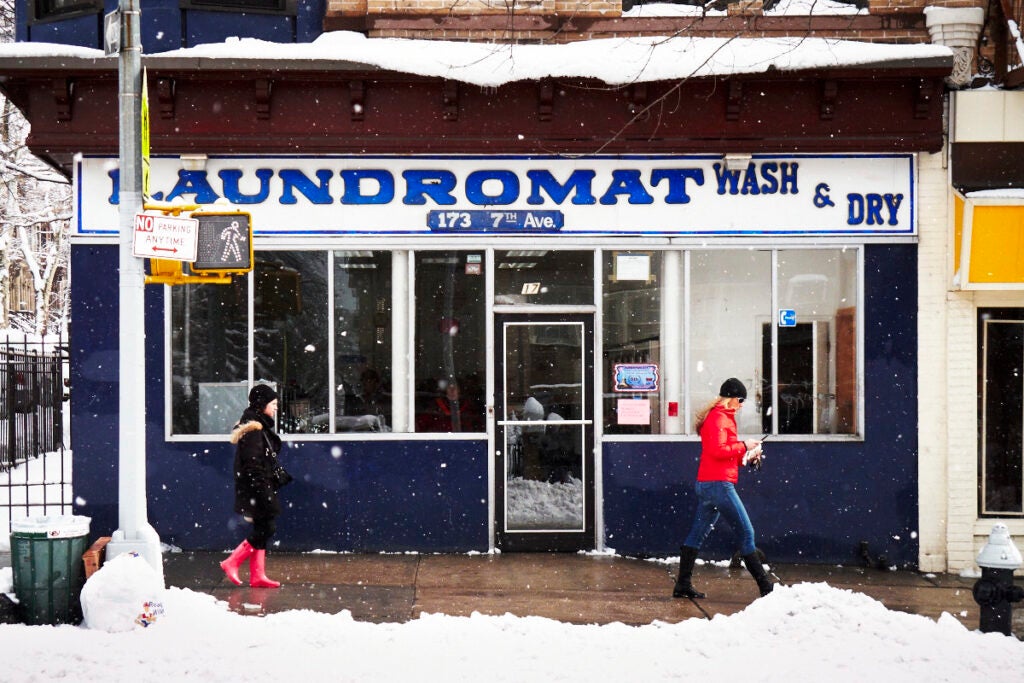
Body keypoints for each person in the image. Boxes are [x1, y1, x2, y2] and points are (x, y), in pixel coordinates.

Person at [673, 377, 773, 599]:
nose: (742, 405)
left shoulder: (721, 417)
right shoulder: (719, 418)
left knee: (697, 535)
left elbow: (723, 454)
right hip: (718, 485)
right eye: (740, 400)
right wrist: (744, 445)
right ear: (731, 398)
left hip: (709, 483)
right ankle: (766, 588)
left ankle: (682, 584)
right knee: (746, 533)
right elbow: (718, 450)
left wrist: (747, 456)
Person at [219, 383, 286, 588]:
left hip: (257, 485)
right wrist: (262, 489)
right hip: (257, 487)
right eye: (273, 404)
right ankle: (232, 561)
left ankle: (258, 575)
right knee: (267, 527)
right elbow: (252, 464)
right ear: (262, 404)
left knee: (262, 527)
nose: (275, 408)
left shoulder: (257, 424)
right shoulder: (254, 429)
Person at [416, 379, 482, 432]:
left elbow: (478, 428)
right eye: (449, 387)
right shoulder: (435, 407)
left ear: (459, 391)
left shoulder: (469, 408)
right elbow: (421, 426)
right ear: (445, 391)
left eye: (455, 387)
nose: (452, 390)